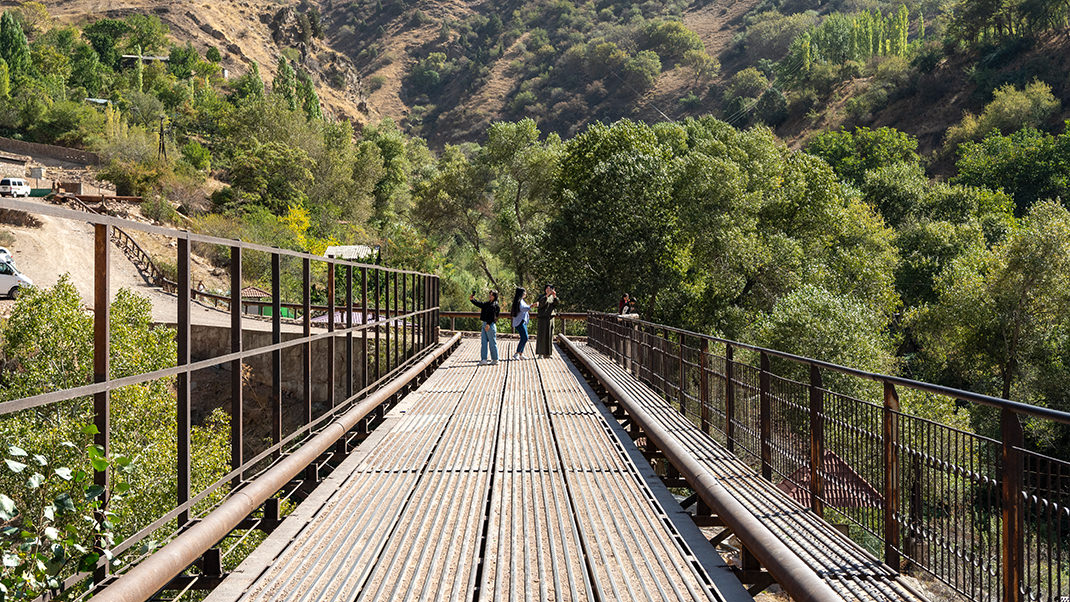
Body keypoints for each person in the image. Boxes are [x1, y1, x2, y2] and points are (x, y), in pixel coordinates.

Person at [470, 290, 500, 365]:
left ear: (495, 296)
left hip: (490, 325)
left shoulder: (495, 304)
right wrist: (473, 300)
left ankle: (495, 359)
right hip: (485, 324)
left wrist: (488, 324)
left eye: (492, 295)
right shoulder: (488, 303)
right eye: (490, 294)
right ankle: (484, 359)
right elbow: (481, 304)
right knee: (483, 342)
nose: (490, 296)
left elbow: (494, 316)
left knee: (492, 343)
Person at [534, 284, 558, 358]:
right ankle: (540, 353)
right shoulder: (542, 297)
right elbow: (540, 304)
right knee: (541, 335)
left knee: (550, 335)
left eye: (550, 289)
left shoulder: (553, 297)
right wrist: (546, 295)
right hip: (542, 318)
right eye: (547, 288)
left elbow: (556, 304)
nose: (548, 290)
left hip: (550, 318)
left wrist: (554, 296)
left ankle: (548, 353)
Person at [510, 287, 532, 360]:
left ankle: (521, 354)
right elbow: (523, 308)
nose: (526, 293)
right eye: (524, 292)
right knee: (525, 337)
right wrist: (532, 306)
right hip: (519, 322)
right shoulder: (519, 301)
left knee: (525, 337)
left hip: (522, 321)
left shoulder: (521, 300)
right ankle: (517, 353)